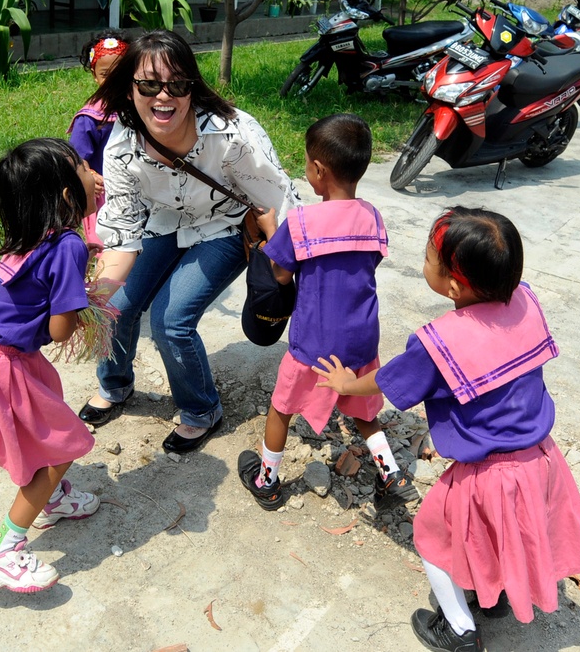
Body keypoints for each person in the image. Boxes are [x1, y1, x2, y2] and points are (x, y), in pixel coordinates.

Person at [314, 208, 580, 652]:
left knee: (431, 536)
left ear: (453, 285)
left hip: (489, 475)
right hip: (542, 458)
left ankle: (460, 629)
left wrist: (347, 383)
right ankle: (494, 594)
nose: (423, 263)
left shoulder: (440, 342)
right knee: (505, 532)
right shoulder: (525, 302)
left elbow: (390, 380)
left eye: (428, 258)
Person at [76, 29, 299, 454]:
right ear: (129, 87)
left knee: (170, 321)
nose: (164, 96)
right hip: (162, 223)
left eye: (177, 85)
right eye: (148, 84)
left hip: (225, 226)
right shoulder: (122, 145)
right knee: (116, 307)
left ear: (192, 87)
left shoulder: (232, 134)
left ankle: (201, 410)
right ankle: (116, 384)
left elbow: (278, 202)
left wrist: (286, 274)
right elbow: (121, 232)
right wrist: (92, 299)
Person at [237, 113, 417, 513]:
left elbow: (281, 274)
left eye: (305, 163)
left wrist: (270, 230)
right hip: (361, 338)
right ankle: (392, 473)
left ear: (318, 170)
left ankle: (266, 480)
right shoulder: (372, 216)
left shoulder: (301, 221)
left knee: (281, 408)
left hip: (314, 342)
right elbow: (370, 263)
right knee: (364, 412)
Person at [0, 138, 102, 593]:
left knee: (46, 420)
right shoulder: (69, 245)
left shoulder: (34, 231)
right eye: (86, 168)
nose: (97, 174)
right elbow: (59, 331)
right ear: (68, 197)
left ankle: (50, 501)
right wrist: (86, 302)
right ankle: (2, 550)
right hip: (2, 362)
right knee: (61, 446)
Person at [67, 31, 130, 249]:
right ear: (95, 75)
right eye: (105, 74)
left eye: (120, 72)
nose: (113, 79)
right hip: (103, 194)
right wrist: (91, 177)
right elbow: (77, 157)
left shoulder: (141, 108)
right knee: (105, 243)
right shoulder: (90, 117)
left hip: (136, 186)